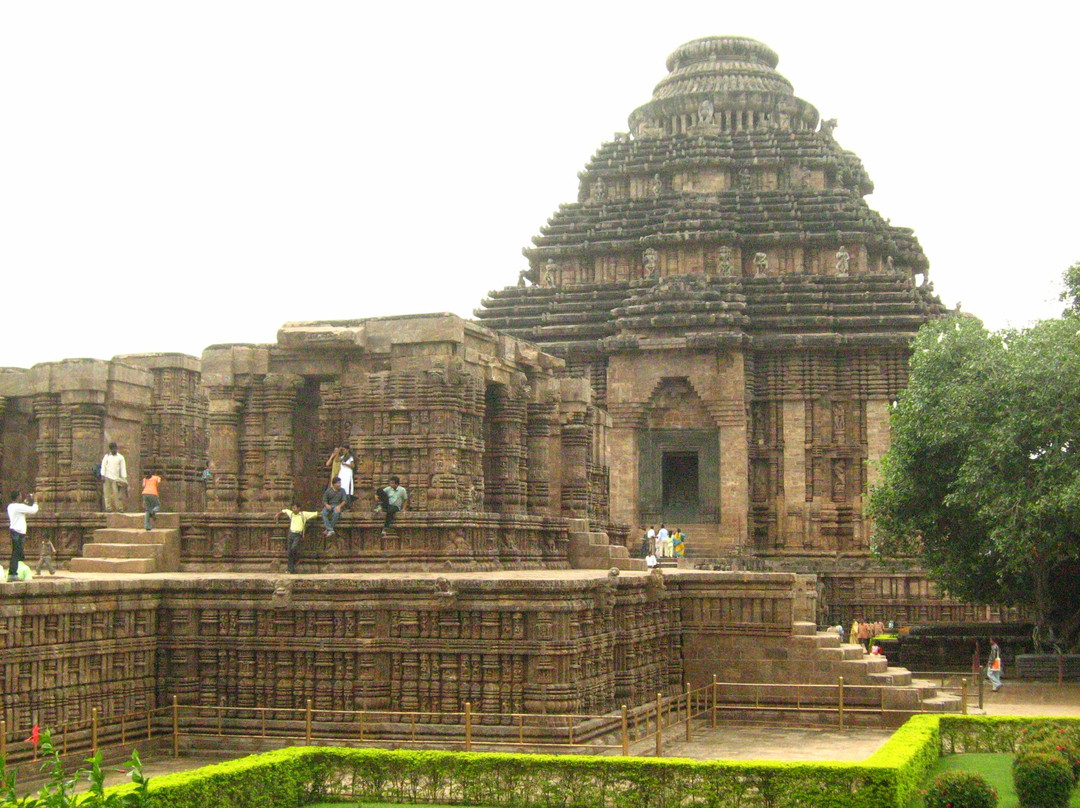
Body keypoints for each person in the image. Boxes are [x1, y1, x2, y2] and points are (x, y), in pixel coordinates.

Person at [7, 490, 39, 583]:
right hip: (18, 533)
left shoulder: (11, 506)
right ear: (17, 497)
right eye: (20, 496)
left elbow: (22, 508)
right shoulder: (18, 507)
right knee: (16, 554)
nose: (21, 497)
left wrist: (26, 501)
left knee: (17, 553)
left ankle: (13, 573)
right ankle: (12, 574)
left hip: (15, 532)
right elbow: (33, 510)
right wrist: (35, 501)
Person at [278, 502, 318, 574]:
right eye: (293, 508)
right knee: (289, 552)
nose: (293, 510)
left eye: (295, 508)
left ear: (299, 508)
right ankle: (290, 569)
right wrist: (278, 514)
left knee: (293, 548)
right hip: (291, 533)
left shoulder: (304, 514)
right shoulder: (291, 514)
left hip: (298, 534)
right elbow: (285, 510)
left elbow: (315, 514)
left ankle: (296, 559)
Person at [99, 442, 128, 512]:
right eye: (112, 449)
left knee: (117, 495)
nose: (113, 450)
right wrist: (102, 475)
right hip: (107, 477)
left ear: (116, 449)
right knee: (107, 494)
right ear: (110, 449)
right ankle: (108, 508)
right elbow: (103, 466)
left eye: (114, 449)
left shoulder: (120, 457)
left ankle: (119, 508)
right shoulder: (107, 457)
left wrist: (124, 478)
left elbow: (123, 468)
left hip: (116, 478)